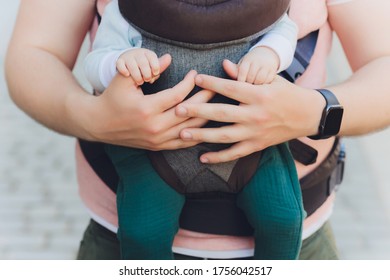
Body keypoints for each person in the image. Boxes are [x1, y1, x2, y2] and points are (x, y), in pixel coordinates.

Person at [5, 0, 390, 260]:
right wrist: (93, 119)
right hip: (119, 240)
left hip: (299, 242)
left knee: (279, 217)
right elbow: (34, 53)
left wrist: (313, 112)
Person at [83, 0, 302, 260]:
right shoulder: (127, 10)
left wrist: (269, 52)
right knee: (143, 232)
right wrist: (120, 61)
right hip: (155, 152)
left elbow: (284, 29)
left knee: (283, 219)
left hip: (252, 149)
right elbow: (95, 63)